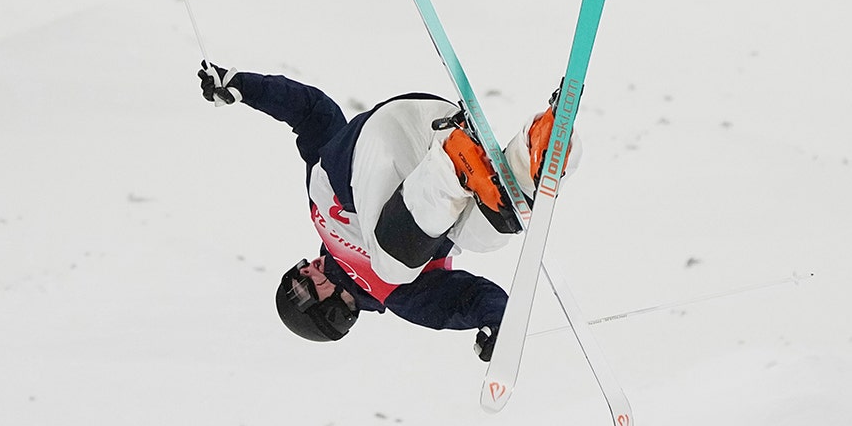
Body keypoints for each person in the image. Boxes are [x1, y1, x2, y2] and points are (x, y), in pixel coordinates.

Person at [198, 63, 575, 360]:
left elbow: (314, 114)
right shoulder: (401, 297)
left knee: (391, 265)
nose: (306, 270)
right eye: (304, 288)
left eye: (296, 273)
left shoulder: (323, 215)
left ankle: (451, 167)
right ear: (334, 313)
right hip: (441, 130)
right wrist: (501, 327)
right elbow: (471, 300)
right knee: (482, 236)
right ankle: (536, 152)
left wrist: (245, 87)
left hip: (383, 138)